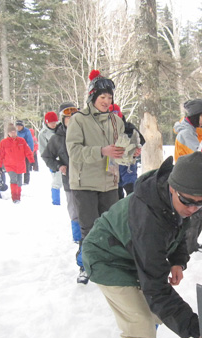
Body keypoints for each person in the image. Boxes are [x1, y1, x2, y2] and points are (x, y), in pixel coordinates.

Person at [81, 151, 202, 338]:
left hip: (134, 254)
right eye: (188, 201)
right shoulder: (148, 216)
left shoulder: (188, 201)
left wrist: (178, 260)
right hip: (107, 258)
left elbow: (183, 230)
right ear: (172, 188)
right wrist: (196, 327)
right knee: (140, 320)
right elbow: (156, 288)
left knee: (152, 315)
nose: (193, 208)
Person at [66, 70, 139, 284]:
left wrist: (130, 151)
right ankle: (85, 265)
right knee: (89, 228)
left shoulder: (116, 121)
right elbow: (74, 152)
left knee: (111, 226)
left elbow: (118, 150)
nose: (106, 101)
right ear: (92, 97)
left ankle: (109, 263)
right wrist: (101, 151)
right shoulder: (78, 120)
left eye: (109, 97)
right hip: (84, 183)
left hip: (109, 181)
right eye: (102, 97)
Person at [41, 102, 82, 243]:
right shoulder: (57, 138)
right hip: (70, 181)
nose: (72, 122)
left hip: (89, 180)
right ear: (63, 120)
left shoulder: (86, 134)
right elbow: (46, 156)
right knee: (74, 210)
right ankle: (77, 238)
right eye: (68, 119)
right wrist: (59, 166)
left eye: (75, 118)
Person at [173, 98, 202, 254]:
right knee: (194, 213)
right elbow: (199, 154)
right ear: (195, 115)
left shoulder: (192, 129)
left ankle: (191, 243)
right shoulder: (188, 133)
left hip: (189, 174)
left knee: (197, 212)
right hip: (187, 176)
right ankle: (188, 246)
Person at [109, 103, 144, 199]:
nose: (114, 116)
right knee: (115, 196)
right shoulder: (103, 129)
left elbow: (141, 141)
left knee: (132, 193)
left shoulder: (128, 127)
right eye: (111, 113)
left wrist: (137, 150)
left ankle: (132, 212)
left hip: (128, 166)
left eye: (116, 113)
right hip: (112, 165)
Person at [0, 123, 35, 203]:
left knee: (19, 181)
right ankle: (15, 198)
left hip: (20, 165)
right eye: (11, 132)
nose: (13, 133)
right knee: (14, 180)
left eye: (14, 132)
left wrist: (32, 161)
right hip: (10, 166)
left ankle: (18, 196)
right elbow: (0, 155)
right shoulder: (4, 143)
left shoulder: (21, 141)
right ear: (8, 133)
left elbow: (28, 152)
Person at [38, 111, 60, 205]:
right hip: (55, 160)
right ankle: (56, 202)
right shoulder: (43, 134)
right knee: (57, 182)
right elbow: (43, 150)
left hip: (66, 157)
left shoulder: (61, 128)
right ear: (46, 122)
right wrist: (51, 163)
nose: (53, 124)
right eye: (51, 123)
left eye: (55, 122)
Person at [15, 120, 34, 185]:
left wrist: (30, 152)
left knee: (26, 166)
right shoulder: (16, 132)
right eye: (17, 126)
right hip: (18, 153)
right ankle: (17, 180)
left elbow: (30, 142)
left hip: (25, 152)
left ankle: (26, 181)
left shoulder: (27, 132)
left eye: (19, 126)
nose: (18, 127)